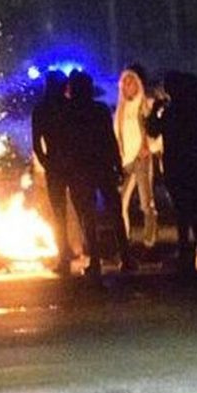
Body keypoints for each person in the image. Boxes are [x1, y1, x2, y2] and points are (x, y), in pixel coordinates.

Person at [147, 72, 197, 271]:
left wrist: (155, 110)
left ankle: (187, 248)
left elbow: (153, 131)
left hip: (177, 166)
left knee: (183, 209)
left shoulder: (172, 111)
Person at [63, 71, 130, 278]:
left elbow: (67, 145)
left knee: (88, 216)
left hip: (81, 169)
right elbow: (110, 139)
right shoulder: (100, 110)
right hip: (102, 166)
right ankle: (126, 256)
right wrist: (117, 165)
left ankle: (96, 261)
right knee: (114, 212)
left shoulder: (68, 112)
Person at [32, 70, 75, 274]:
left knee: (59, 213)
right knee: (79, 209)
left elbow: (36, 143)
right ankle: (77, 253)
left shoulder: (41, 109)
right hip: (71, 163)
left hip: (56, 165)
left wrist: (46, 162)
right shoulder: (70, 106)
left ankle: (64, 256)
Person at [114, 66, 159, 249]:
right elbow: (117, 134)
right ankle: (124, 240)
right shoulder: (120, 109)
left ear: (137, 84)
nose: (127, 86)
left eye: (130, 82)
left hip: (141, 158)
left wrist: (149, 147)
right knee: (120, 202)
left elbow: (154, 130)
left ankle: (150, 239)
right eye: (124, 83)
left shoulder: (146, 104)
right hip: (125, 160)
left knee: (145, 201)